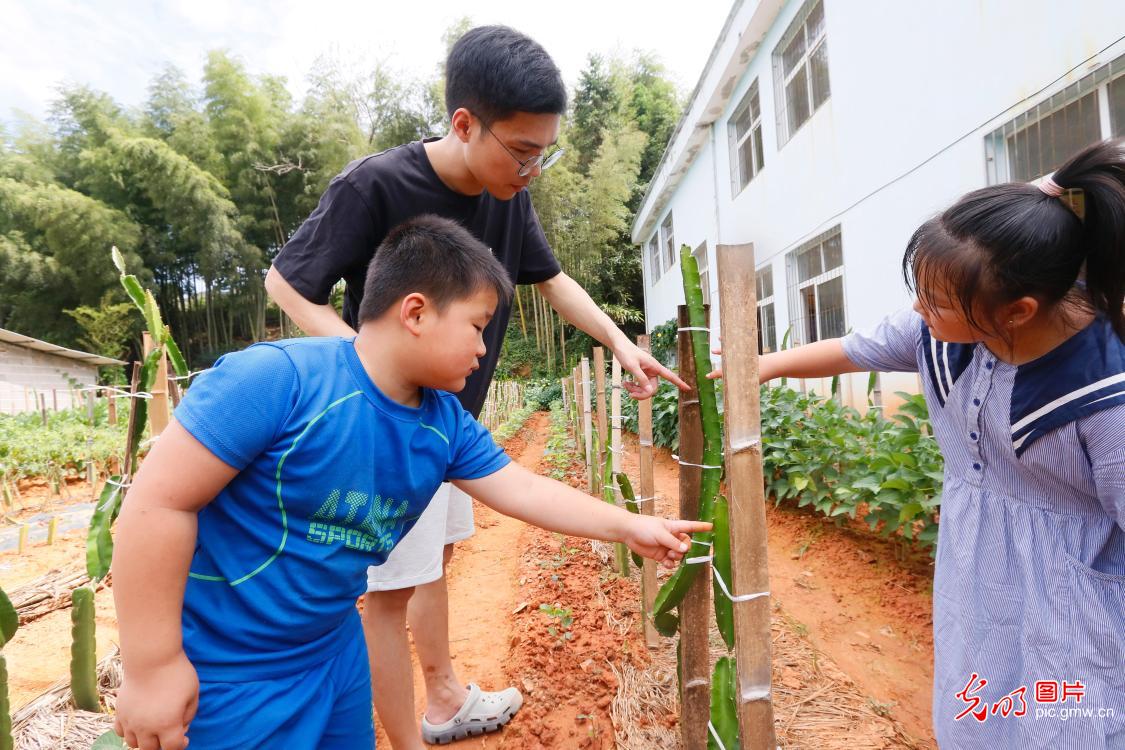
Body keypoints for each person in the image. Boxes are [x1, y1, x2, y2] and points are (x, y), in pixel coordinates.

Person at [111, 216, 708, 750]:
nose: (483, 348)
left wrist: (629, 525)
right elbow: (156, 504)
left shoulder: (443, 423)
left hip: (336, 651)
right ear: (416, 313)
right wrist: (153, 666)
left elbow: (523, 489)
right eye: (476, 327)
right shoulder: (278, 380)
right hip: (230, 671)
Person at [265, 24, 686, 748]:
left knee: (437, 560)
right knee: (387, 598)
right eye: (522, 150)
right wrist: (374, 374)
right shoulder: (376, 183)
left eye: (542, 153)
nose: (532, 169)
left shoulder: (506, 192)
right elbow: (286, 284)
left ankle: (444, 695)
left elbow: (551, 280)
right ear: (464, 123)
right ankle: (404, 732)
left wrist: (618, 342)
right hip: (386, 431)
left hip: (446, 421)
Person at [713, 139, 1125, 746]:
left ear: (1016, 312)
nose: (917, 307)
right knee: (980, 711)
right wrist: (760, 365)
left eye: (934, 298)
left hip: (1077, 606)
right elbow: (854, 349)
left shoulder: (1105, 393)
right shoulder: (942, 331)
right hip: (978, 581)